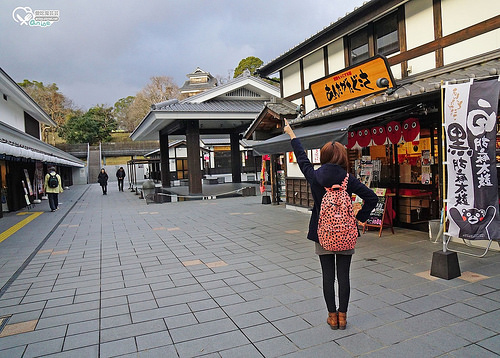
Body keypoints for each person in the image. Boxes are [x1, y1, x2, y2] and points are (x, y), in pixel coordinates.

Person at [283, 119, 377, 330]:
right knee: (344, 276)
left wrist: (292, 134)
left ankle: (332, 317)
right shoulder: (348, 179)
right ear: (343, 157)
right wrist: (360, 216)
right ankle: (343, 317)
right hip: (345, 232)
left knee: (328, 276)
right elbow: (372, 198)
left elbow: (302, 158)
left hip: (322, 232)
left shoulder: (315, 176)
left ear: (323, 158)